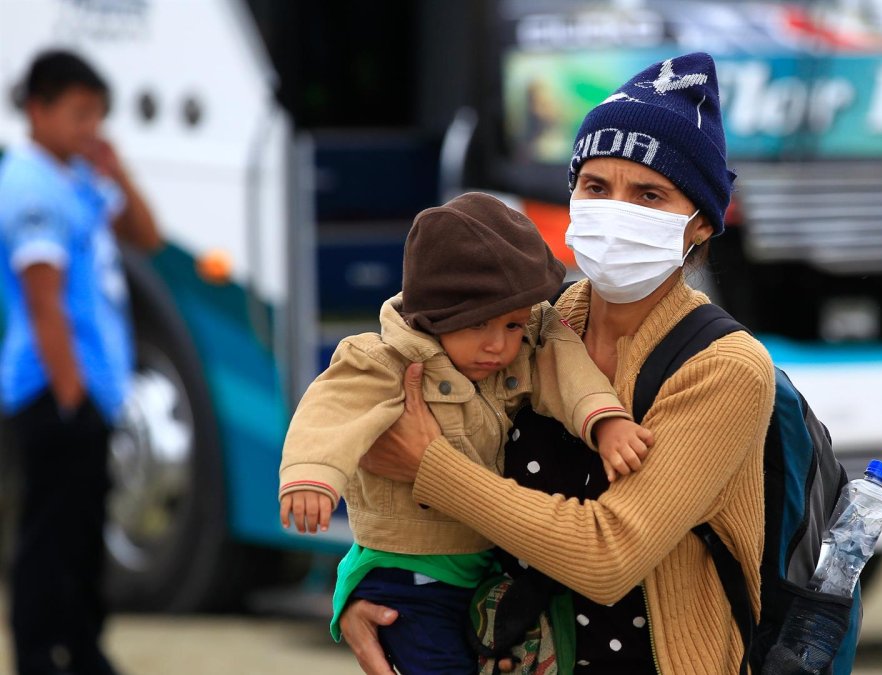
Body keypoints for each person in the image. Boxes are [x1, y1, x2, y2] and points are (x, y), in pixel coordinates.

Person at [340, 52, 777, 674]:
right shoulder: (529, 326)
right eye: (596, 187)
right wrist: (367, 587)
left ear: (701, 223)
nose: (616, 210)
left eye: (649, 195)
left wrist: (427, 465)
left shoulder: (725, 368)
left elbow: (609, 557)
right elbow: (434, 460)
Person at [278, 192, 654, 674]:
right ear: (432, 315)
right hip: (406, 570)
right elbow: (329, 410)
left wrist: (606, 421)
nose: (498, 344)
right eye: (477, 324)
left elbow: (567, 368)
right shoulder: (383, 361)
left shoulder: (524, 348)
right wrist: (311, 476)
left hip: (483, 568)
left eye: (513, 324)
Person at [0, 50, 161, 675]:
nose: (92, 126)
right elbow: (45, 304)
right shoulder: (30, 186)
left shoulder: (78, 176)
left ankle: (84, 646)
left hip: (91, 387)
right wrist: (72, 400)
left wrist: (117, 171)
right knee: (49, 531)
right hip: (53, 388)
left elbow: (146, 235)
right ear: (37, 110)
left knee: (84, 529)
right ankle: (39, 653)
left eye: (98, 114)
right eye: (79, 112)